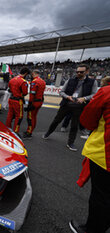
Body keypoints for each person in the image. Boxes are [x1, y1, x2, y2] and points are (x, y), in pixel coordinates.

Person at [69, 84, 110, 233]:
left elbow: (87, 121)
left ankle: (92, 230)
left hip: (105, 155)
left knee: (101, 196)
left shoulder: (106, 92)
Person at [42, 64, 98, 151]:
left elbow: (94, 94)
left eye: (81, 72)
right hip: (66, 104)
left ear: (87, 72)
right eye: (77, 72)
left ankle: (70, 142)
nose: (78, 73)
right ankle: (48, 133)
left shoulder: (92, 82)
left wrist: (84, 98)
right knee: (56, 120)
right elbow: (62, 92)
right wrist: (67, 97)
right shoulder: (70, 80)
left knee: (74, 125)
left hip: (80, 106)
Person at [6, 67, 30, 133]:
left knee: (10, 115)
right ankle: (15, 131)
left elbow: (9, 90)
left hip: (11, 99)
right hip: (18, 101)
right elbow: (25, 93)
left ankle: (7, 129)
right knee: (19, 116)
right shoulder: (23, 82)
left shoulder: (12, 80)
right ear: (25, 73)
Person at [23, 70, 46, 139]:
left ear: (34, 74)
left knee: (30, 118)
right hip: (40, 101)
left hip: (34, 102)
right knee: (34, 117)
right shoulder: (43, 81)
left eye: (32, 74)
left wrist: (30, 104)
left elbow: (32, 94)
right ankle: (30, 131)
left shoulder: (34, 82)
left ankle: (29, 133)